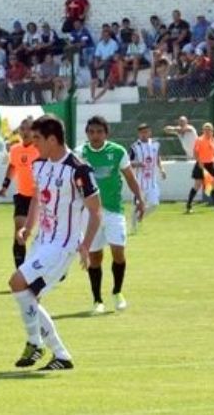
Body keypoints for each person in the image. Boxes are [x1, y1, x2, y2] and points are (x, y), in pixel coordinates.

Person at [9, 115, 101, 371]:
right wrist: (28, 226)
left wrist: (86, 245)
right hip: (42, 242)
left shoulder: (79, 169)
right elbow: (38, 198)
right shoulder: (40, 164)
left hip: (63, 245)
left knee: (17, 283)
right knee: (29, 296)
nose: (32, 142)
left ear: (52, 139)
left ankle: (36, 343)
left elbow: (95, 211)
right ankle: (60, 354)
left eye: (37, 138)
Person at [76, 116, 145, 315]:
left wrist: (139, 198)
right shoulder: (80, 153)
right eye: (91, 132)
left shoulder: (117, 152)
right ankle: (97, 300)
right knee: (95, 257)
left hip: (114, 210)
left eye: (99, 132)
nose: (95, 136)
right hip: (90, 213)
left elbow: (130, 177)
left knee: (118, 252)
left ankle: (117, 292)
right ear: (87, 133)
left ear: (106, 133)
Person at [0, 118, 40, 268]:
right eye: (22, 128)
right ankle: (21, 270)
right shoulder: (15, 149)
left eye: (28, 128)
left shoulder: (40, 149)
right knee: (19, 233)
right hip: (23, 196)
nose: (25, 132)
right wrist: (5, 186)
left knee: (45, 234)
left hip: (41, 198)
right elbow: (12, 166)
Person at [129, 124, 166, 233]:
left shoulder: (155, 144)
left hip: (152, 182)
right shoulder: (134, 147)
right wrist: (138, 164)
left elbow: (158, 158)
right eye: (142, 133)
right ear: (139, 134)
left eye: (146, 132)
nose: (144, 135)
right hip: (139, 182)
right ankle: (133, 228)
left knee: (154, 204)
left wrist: (162, 169)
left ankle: (139, 217)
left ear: (150, 132)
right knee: (137, 205)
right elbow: (128, 163)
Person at [186, 123, 214, 214]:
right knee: (197, 185)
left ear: (212, 131)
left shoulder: (213, 140)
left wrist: (213, 163)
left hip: (210, 164)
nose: (207, 131)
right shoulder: (200, 140)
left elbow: (212, 153)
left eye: (209, 129)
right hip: (201, 164)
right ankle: (189, 205)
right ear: (203, 130)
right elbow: (195, 153)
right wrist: (199, 162)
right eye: (205, 129)